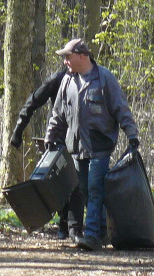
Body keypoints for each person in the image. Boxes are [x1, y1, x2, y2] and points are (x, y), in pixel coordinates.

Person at [45, 38, 140, 252]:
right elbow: (58, 114)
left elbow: (121, 109)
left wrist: (132, 134)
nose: (65, 62)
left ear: (82, 56)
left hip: (100, 146)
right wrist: (51, 136)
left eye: (68, 57)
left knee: (95, 188)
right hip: (76, 148)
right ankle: (103, 230)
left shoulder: (104, 79)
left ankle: (92, 235)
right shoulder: (67, 82)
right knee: (84, 191)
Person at [10, 66, 84, 240]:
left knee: (78, 183)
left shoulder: (88, 80)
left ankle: (72, 226)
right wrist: (18, 131)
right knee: (60, 183)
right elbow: (32, 102)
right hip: (57, 139)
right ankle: (65, 223)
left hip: (79, 141)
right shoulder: (56, 80)